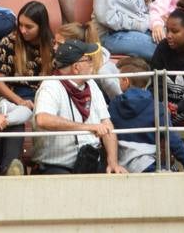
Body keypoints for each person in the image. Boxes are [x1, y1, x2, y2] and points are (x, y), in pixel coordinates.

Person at [31, 39, 126, 174]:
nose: (92, 63)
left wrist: (113, 162)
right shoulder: (51, 85)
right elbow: (43, 119)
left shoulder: (92, 84)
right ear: (76, 67)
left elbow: (107, 124)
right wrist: (88, 128)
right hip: (56, 166)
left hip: (90, 162)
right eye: (88, 60)